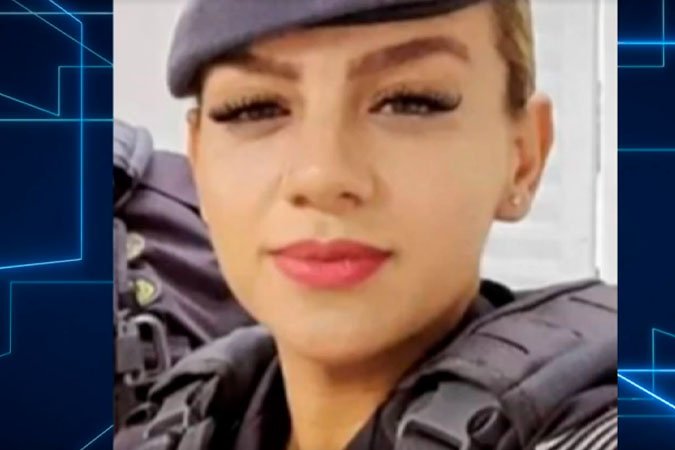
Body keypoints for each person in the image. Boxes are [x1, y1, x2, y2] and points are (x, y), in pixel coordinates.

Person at [115, 0, 617, 449]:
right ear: (198, 164)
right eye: (254, 108)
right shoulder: (175, 423)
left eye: (411, 101)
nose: (322, 175)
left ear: (524, 158)